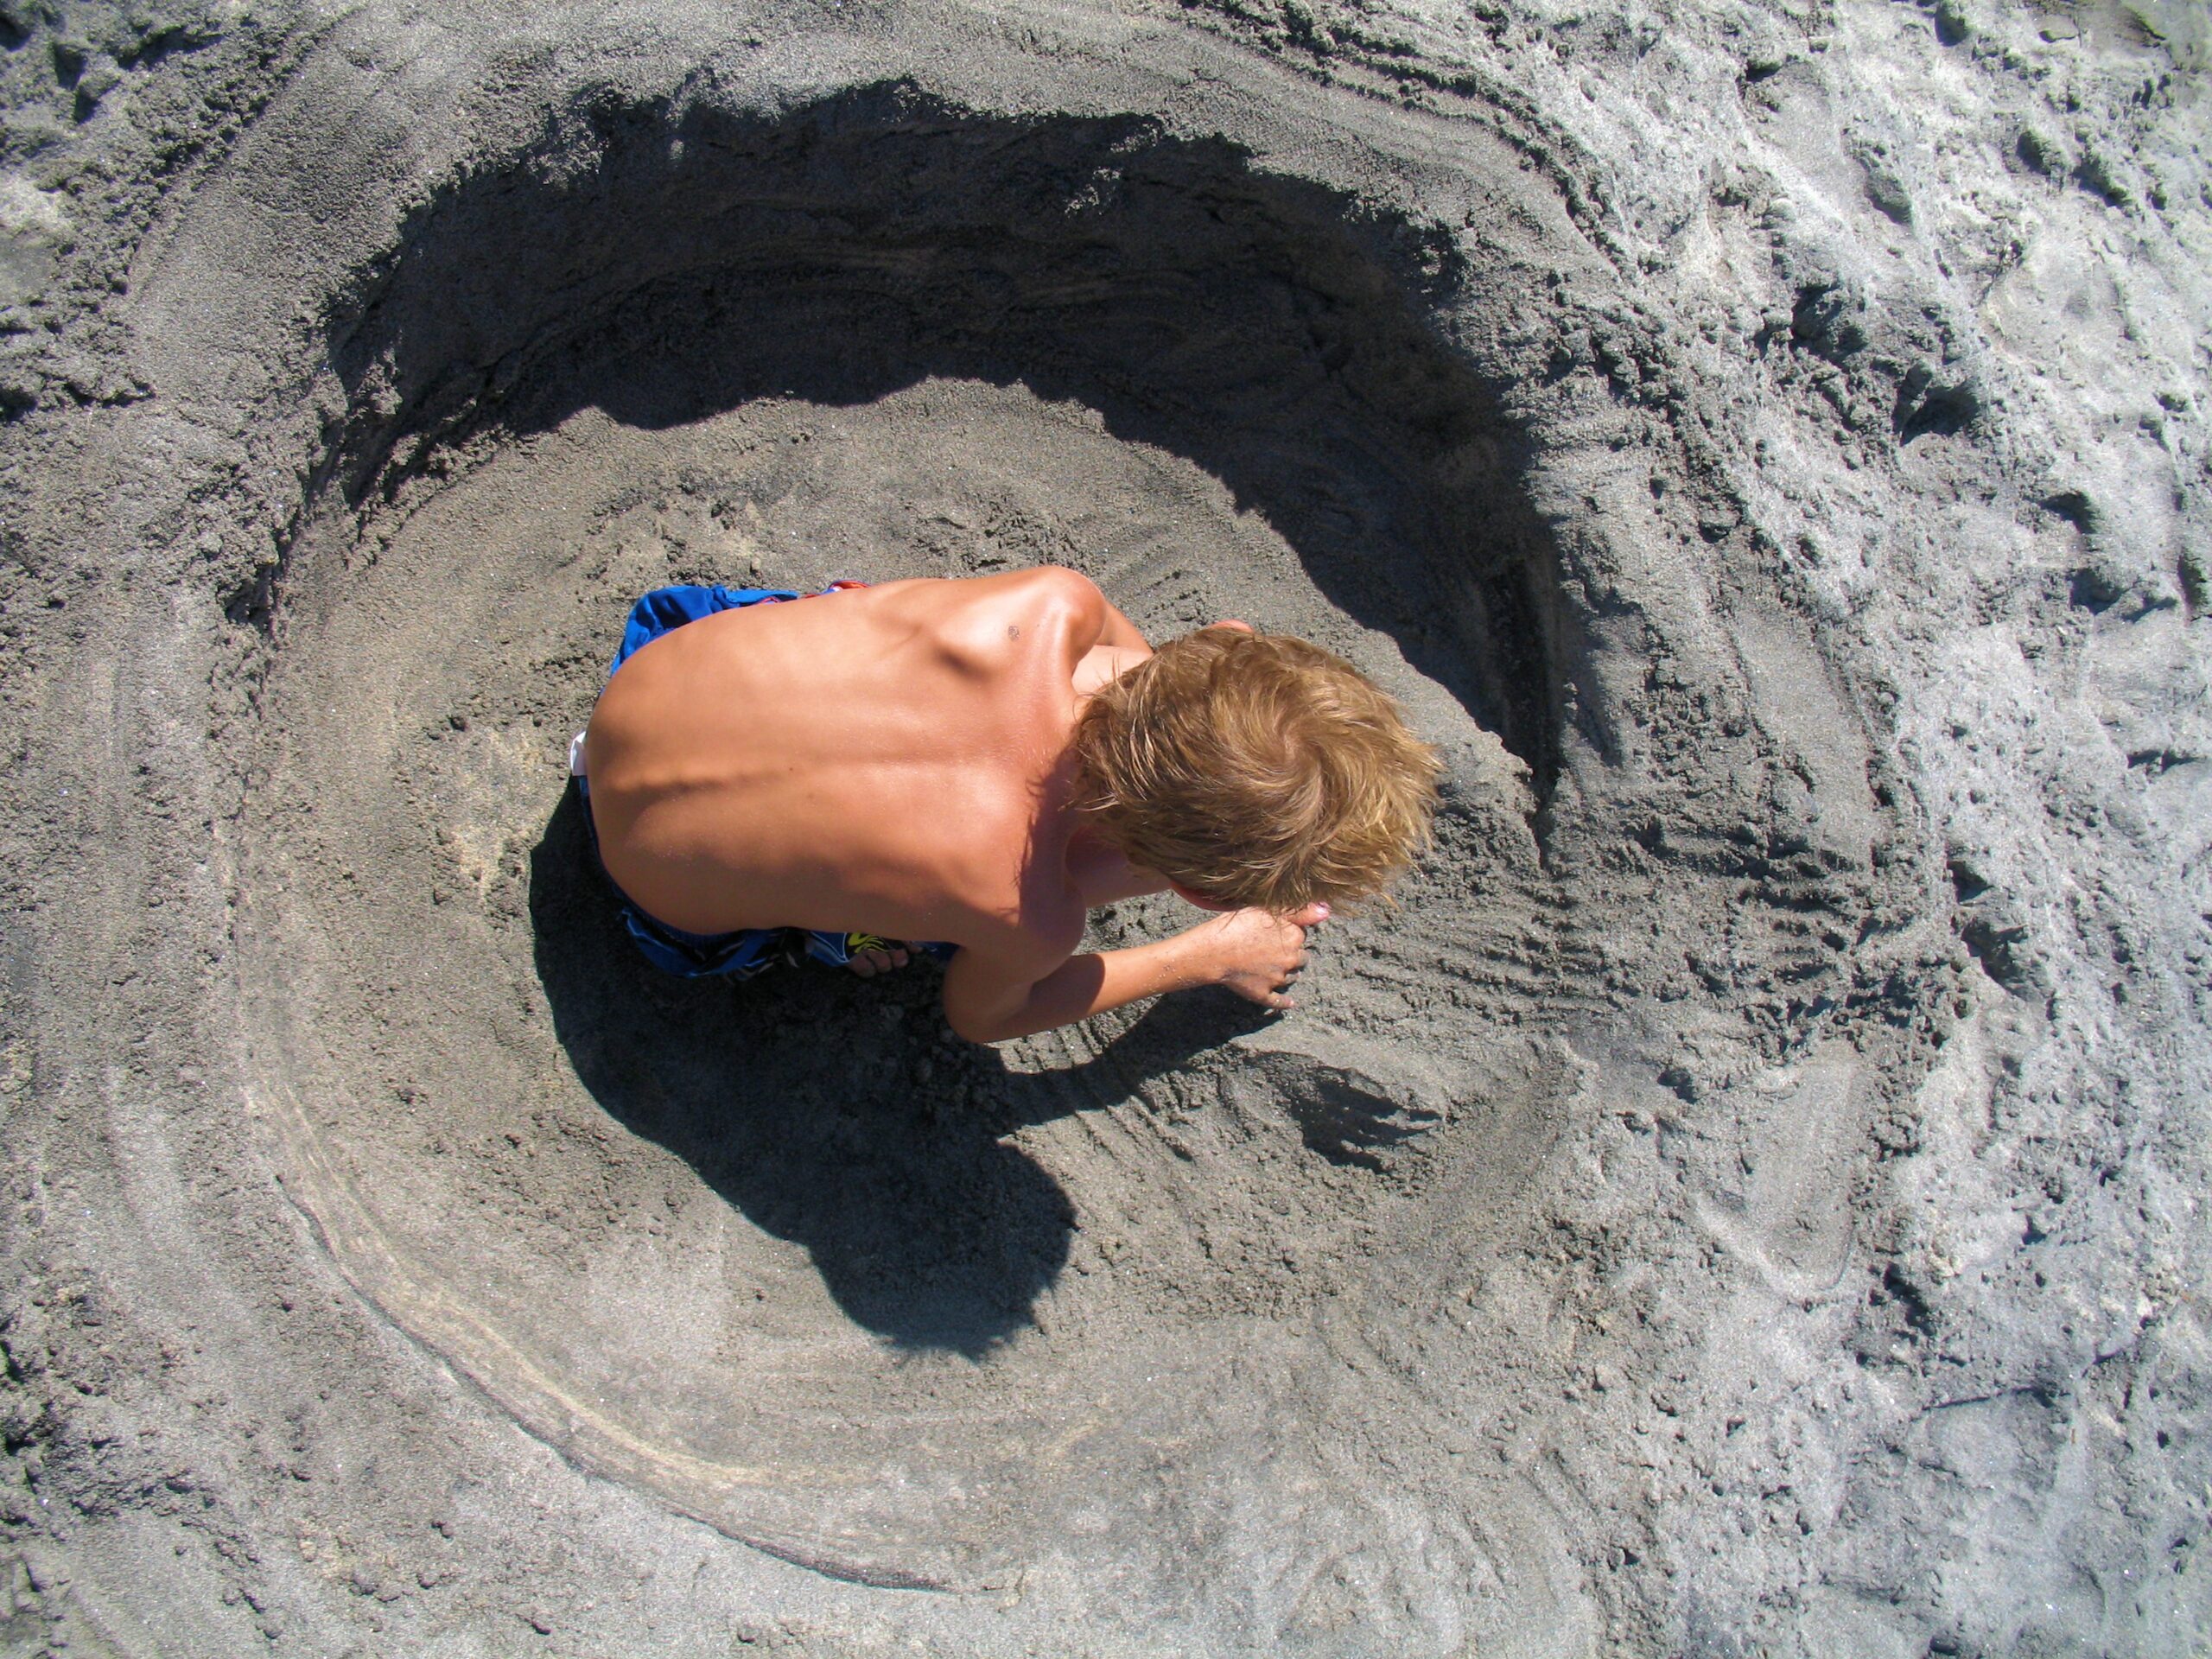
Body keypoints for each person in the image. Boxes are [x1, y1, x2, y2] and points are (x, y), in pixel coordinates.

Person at [573, 567, 1439, 1044]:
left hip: (655, 670)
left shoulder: (1055, 604)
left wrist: (1209, 768)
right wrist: (1207, 951)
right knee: (969, 906)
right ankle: (840, 934)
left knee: (869, 621)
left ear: (1224, 636)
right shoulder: (1032, 921)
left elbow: (1145, 673)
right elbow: (983, 1018)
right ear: (1200, 894)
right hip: (653, 894)